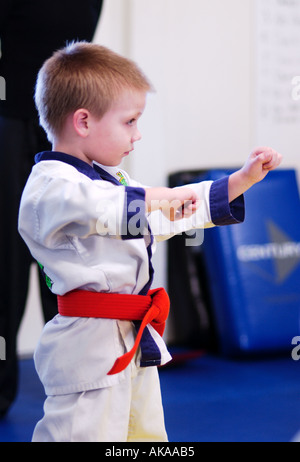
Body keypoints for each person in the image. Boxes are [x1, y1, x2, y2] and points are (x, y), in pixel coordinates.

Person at [18, 41, 282, 442]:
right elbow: (99, 210)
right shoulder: (52, 188)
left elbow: (166, 215)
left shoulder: (116, 184)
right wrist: (159, 195)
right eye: (129, 122)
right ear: (83, 122)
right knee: (81, 434)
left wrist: (238, 182)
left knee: (143, 435)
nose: (137, 135)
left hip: (134, 337)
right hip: (86, 345)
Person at [0, 0, 103, 418]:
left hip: (62, 129)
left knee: (68, 260)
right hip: (8, 124)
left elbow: (76, 60)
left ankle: (74, 383)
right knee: (6, 265)